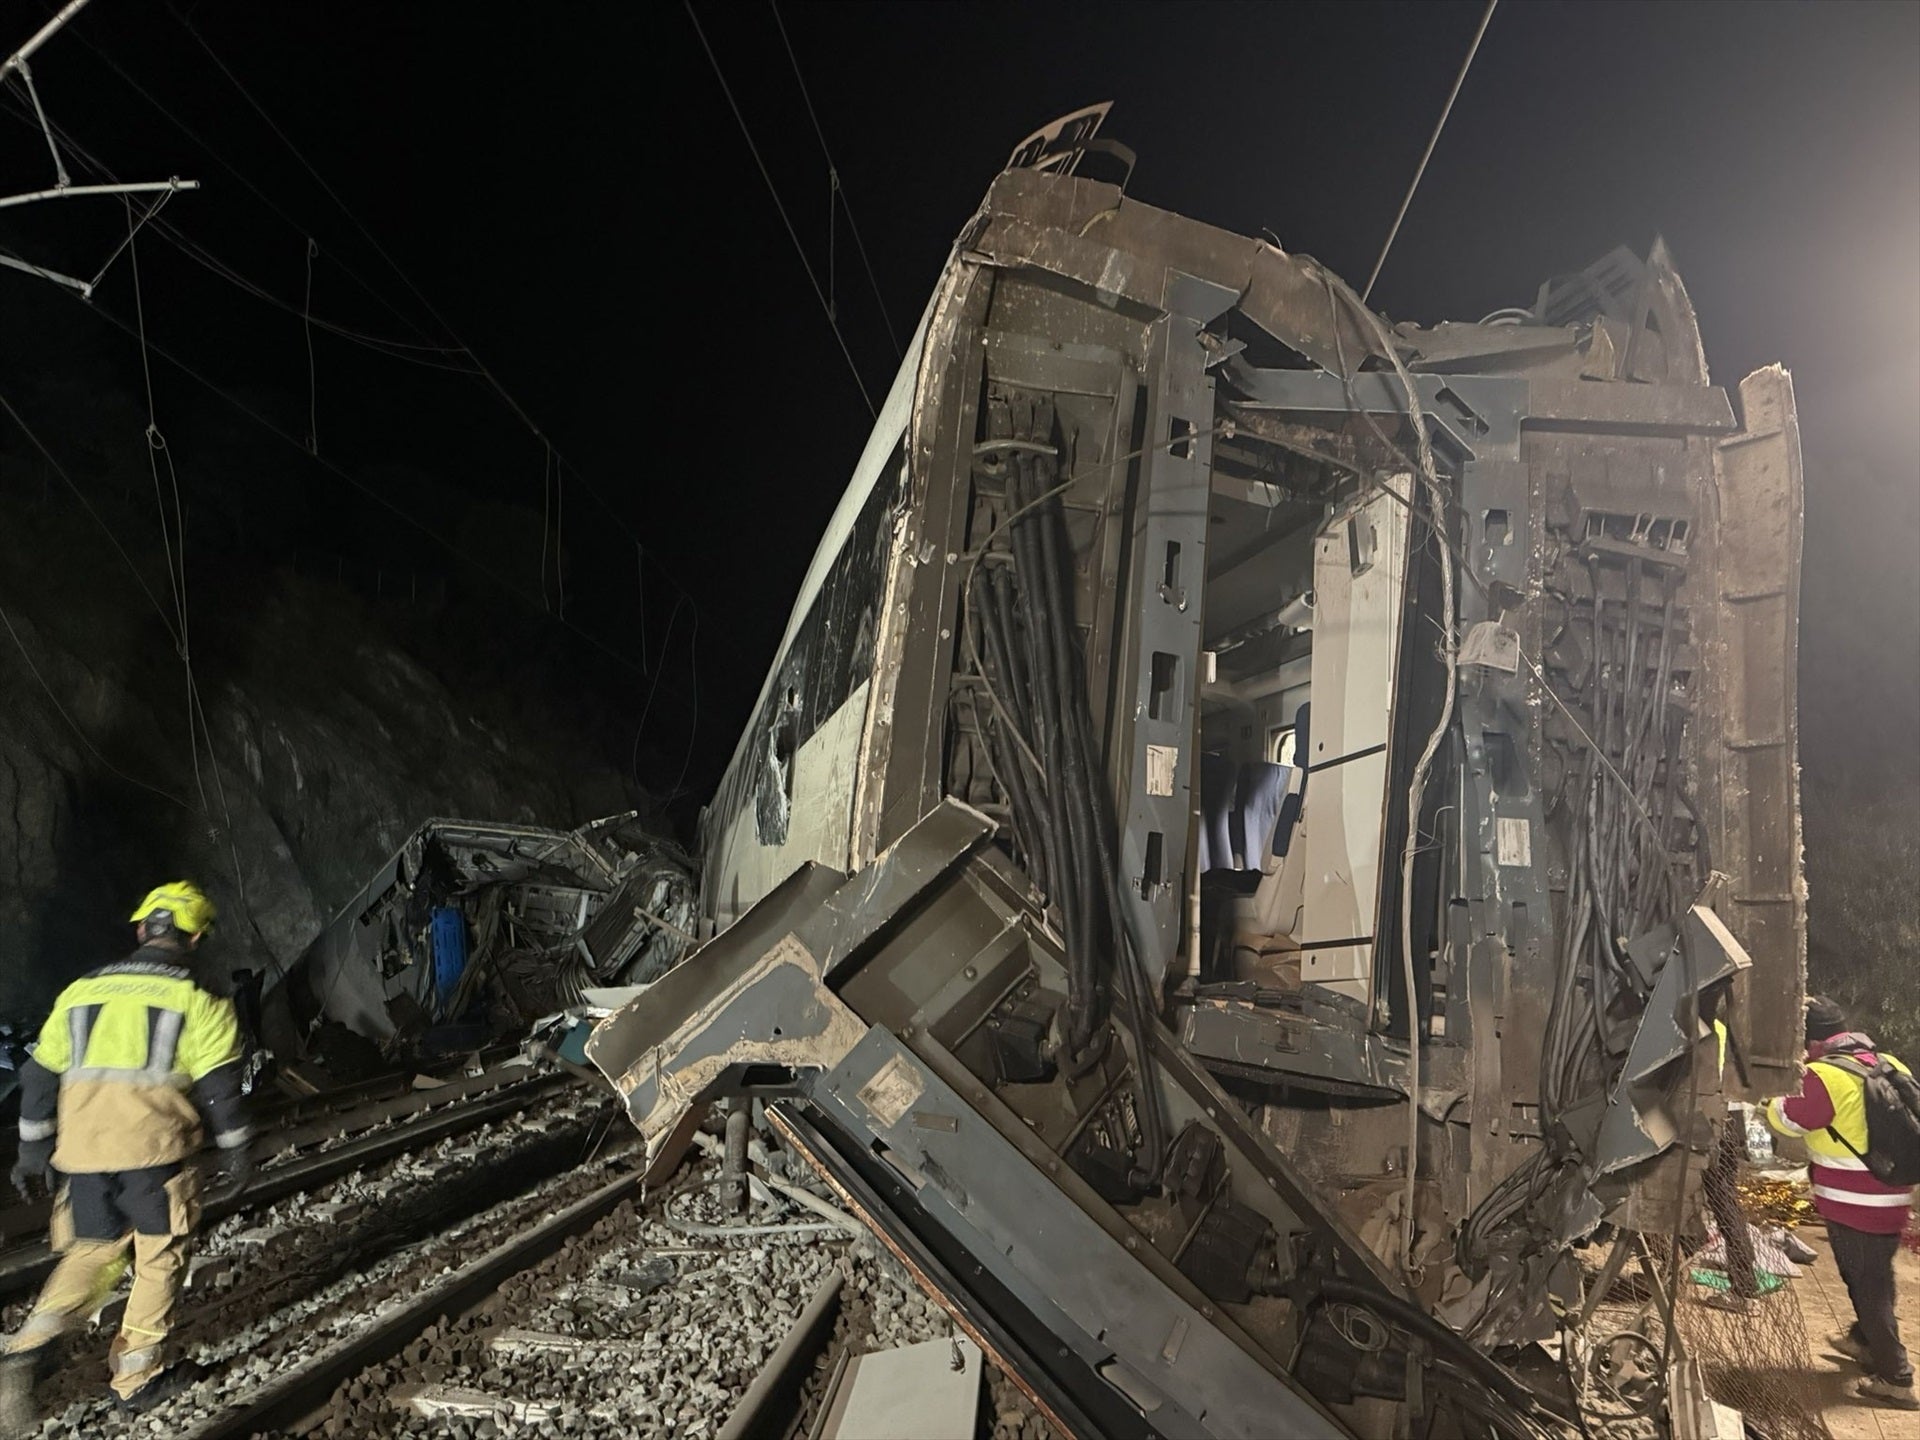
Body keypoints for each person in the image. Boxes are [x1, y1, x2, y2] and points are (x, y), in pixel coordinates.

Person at [0, 882, 253, 1431]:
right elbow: (220, 1090)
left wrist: (31, 1150)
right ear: (195, 937)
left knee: (94, 1252)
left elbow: (39, 1075)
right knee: (159, 1258)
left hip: (84, 1155)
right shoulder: (199, 999)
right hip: (154, 1154)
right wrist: (237, 1153)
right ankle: (138, 1380)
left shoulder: (79, 992)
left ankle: (25, 1346)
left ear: (141, 929)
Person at [1768, 995, 1916, 1410]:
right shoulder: (1888, 1063)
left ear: (1812, 1041)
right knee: (1873, 1277)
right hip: (1893, 1194)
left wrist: (1772, 1096)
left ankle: (1896, 1377)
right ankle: (1863, 1340)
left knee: (1870, 1287)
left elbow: (1787, 1120)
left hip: (1854, 1204)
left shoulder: (1821, 1074)